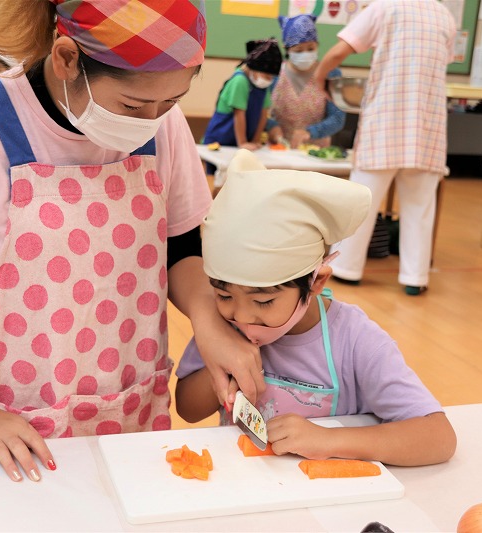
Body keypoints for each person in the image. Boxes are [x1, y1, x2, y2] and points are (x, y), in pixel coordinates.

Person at [0, 0, 264, 483]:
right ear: (67, 58)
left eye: (171, 102)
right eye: (132, 106)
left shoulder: (161, 125)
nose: (151, 121)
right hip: (5, 429)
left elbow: (181, 246)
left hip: (128, 415)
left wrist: (208, 322)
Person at [174, 150, 456, 466]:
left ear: (316, 281)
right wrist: (220, 374)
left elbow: (438, 437)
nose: (240, 316)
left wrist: (328, 439)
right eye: (224, 295)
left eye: (263, 301)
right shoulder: (222, 326)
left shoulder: (355, 340)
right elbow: (187, 408)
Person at [313, 0, 456, 295]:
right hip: (426, 127)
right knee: (420, 208)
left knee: (361, 203)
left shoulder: (384, 8)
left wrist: (319, 79)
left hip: (385, 123)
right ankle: (415, 278)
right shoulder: (445, 15)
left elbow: (338, 52)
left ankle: (347, 269)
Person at [202, 38, 281, 187]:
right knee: (218, 182)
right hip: (221, 140)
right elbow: (239, 114)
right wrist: (243, 142)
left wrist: (255, 140)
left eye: (272, 78)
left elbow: (263, 114)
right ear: (254, 68)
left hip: (241, 143)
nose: (269, 80)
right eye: (267, 76)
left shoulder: (263, 87)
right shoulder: (240, 81)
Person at [266, 14, 345, 149]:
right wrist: (271, 126)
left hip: (315, 152)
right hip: (279, 149)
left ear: (317, 46)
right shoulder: (274, 73)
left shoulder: (331, 74)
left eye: (311, 49)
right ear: (287, 49)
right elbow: (258, 110)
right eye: (298, 50)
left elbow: (338, 118)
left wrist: (311, 132)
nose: (305, 54)